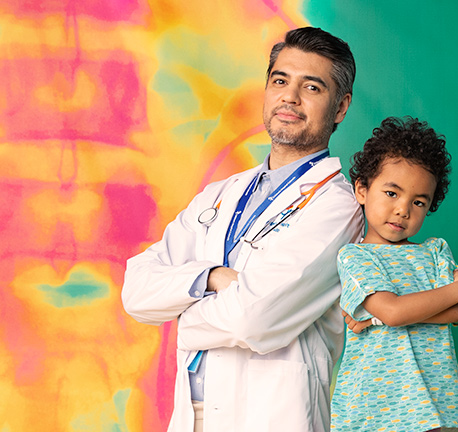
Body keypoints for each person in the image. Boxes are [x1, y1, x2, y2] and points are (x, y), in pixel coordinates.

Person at [122, 27, 364, 432]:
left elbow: (253, 318)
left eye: (312, 87)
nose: (290, 96)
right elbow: (136, 292)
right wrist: (211, 277)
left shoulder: (339, 206)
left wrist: (182, 317)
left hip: (273, 418)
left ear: (340, 108)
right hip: (191, 417)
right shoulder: (221, 194)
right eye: (280, 80)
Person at [330, 116, 458, 432]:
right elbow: (396, 311)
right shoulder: (355, 256)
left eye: (419, 201)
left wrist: (374, 321)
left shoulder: (435, 251)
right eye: (391, 193)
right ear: (362, 189)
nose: (403, 210)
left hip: (440, 400)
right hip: (376, 406)